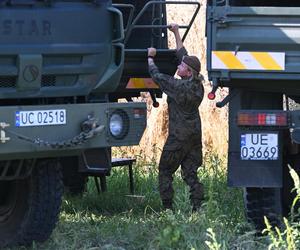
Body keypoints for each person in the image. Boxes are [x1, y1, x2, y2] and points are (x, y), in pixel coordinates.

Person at [147, 23, 204, 211]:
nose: (178, 65)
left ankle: (167, 208)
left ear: (188, 72)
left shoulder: (179, 87)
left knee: (165, 170)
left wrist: (150, 57)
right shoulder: (197, 85)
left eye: (181, 66)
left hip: (178, 137)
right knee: (190, 174)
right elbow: (183, 55)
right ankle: (197, 208)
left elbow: (157, 76)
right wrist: (177, 33)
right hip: (194, 137)